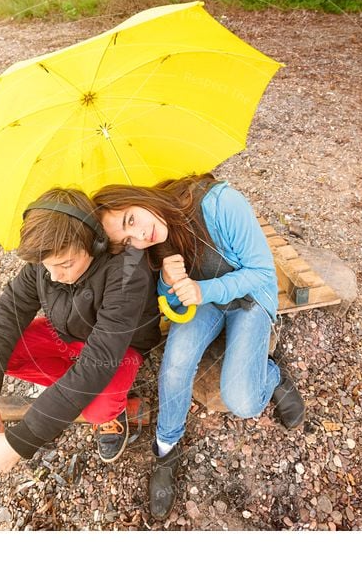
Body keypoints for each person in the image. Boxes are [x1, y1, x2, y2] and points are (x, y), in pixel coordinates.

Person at [94, 174, 305, 520]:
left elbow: (262, 272)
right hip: (204, 300)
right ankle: (166, 448)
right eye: (128, 239)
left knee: (244, 401)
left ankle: (273, 377)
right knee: (175, 366)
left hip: (249, 296)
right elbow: (172, 306)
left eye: (131, 219)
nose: (139, 236)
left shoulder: (221, 203)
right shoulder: (155, 245)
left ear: (138, 196)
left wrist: (204, 291)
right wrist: (167, 283)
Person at [0, 187, 161, 474]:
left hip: (118, 351)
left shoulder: (128, 274)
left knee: (98, 409)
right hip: (67, 337)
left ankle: (105, 403)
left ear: (93, 244)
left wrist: (20, 443)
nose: (55, 275)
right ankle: (74, 391)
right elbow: (8, 310)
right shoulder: (47, 263)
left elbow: (99, 362)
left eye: (65, 264)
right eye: (47, 267)